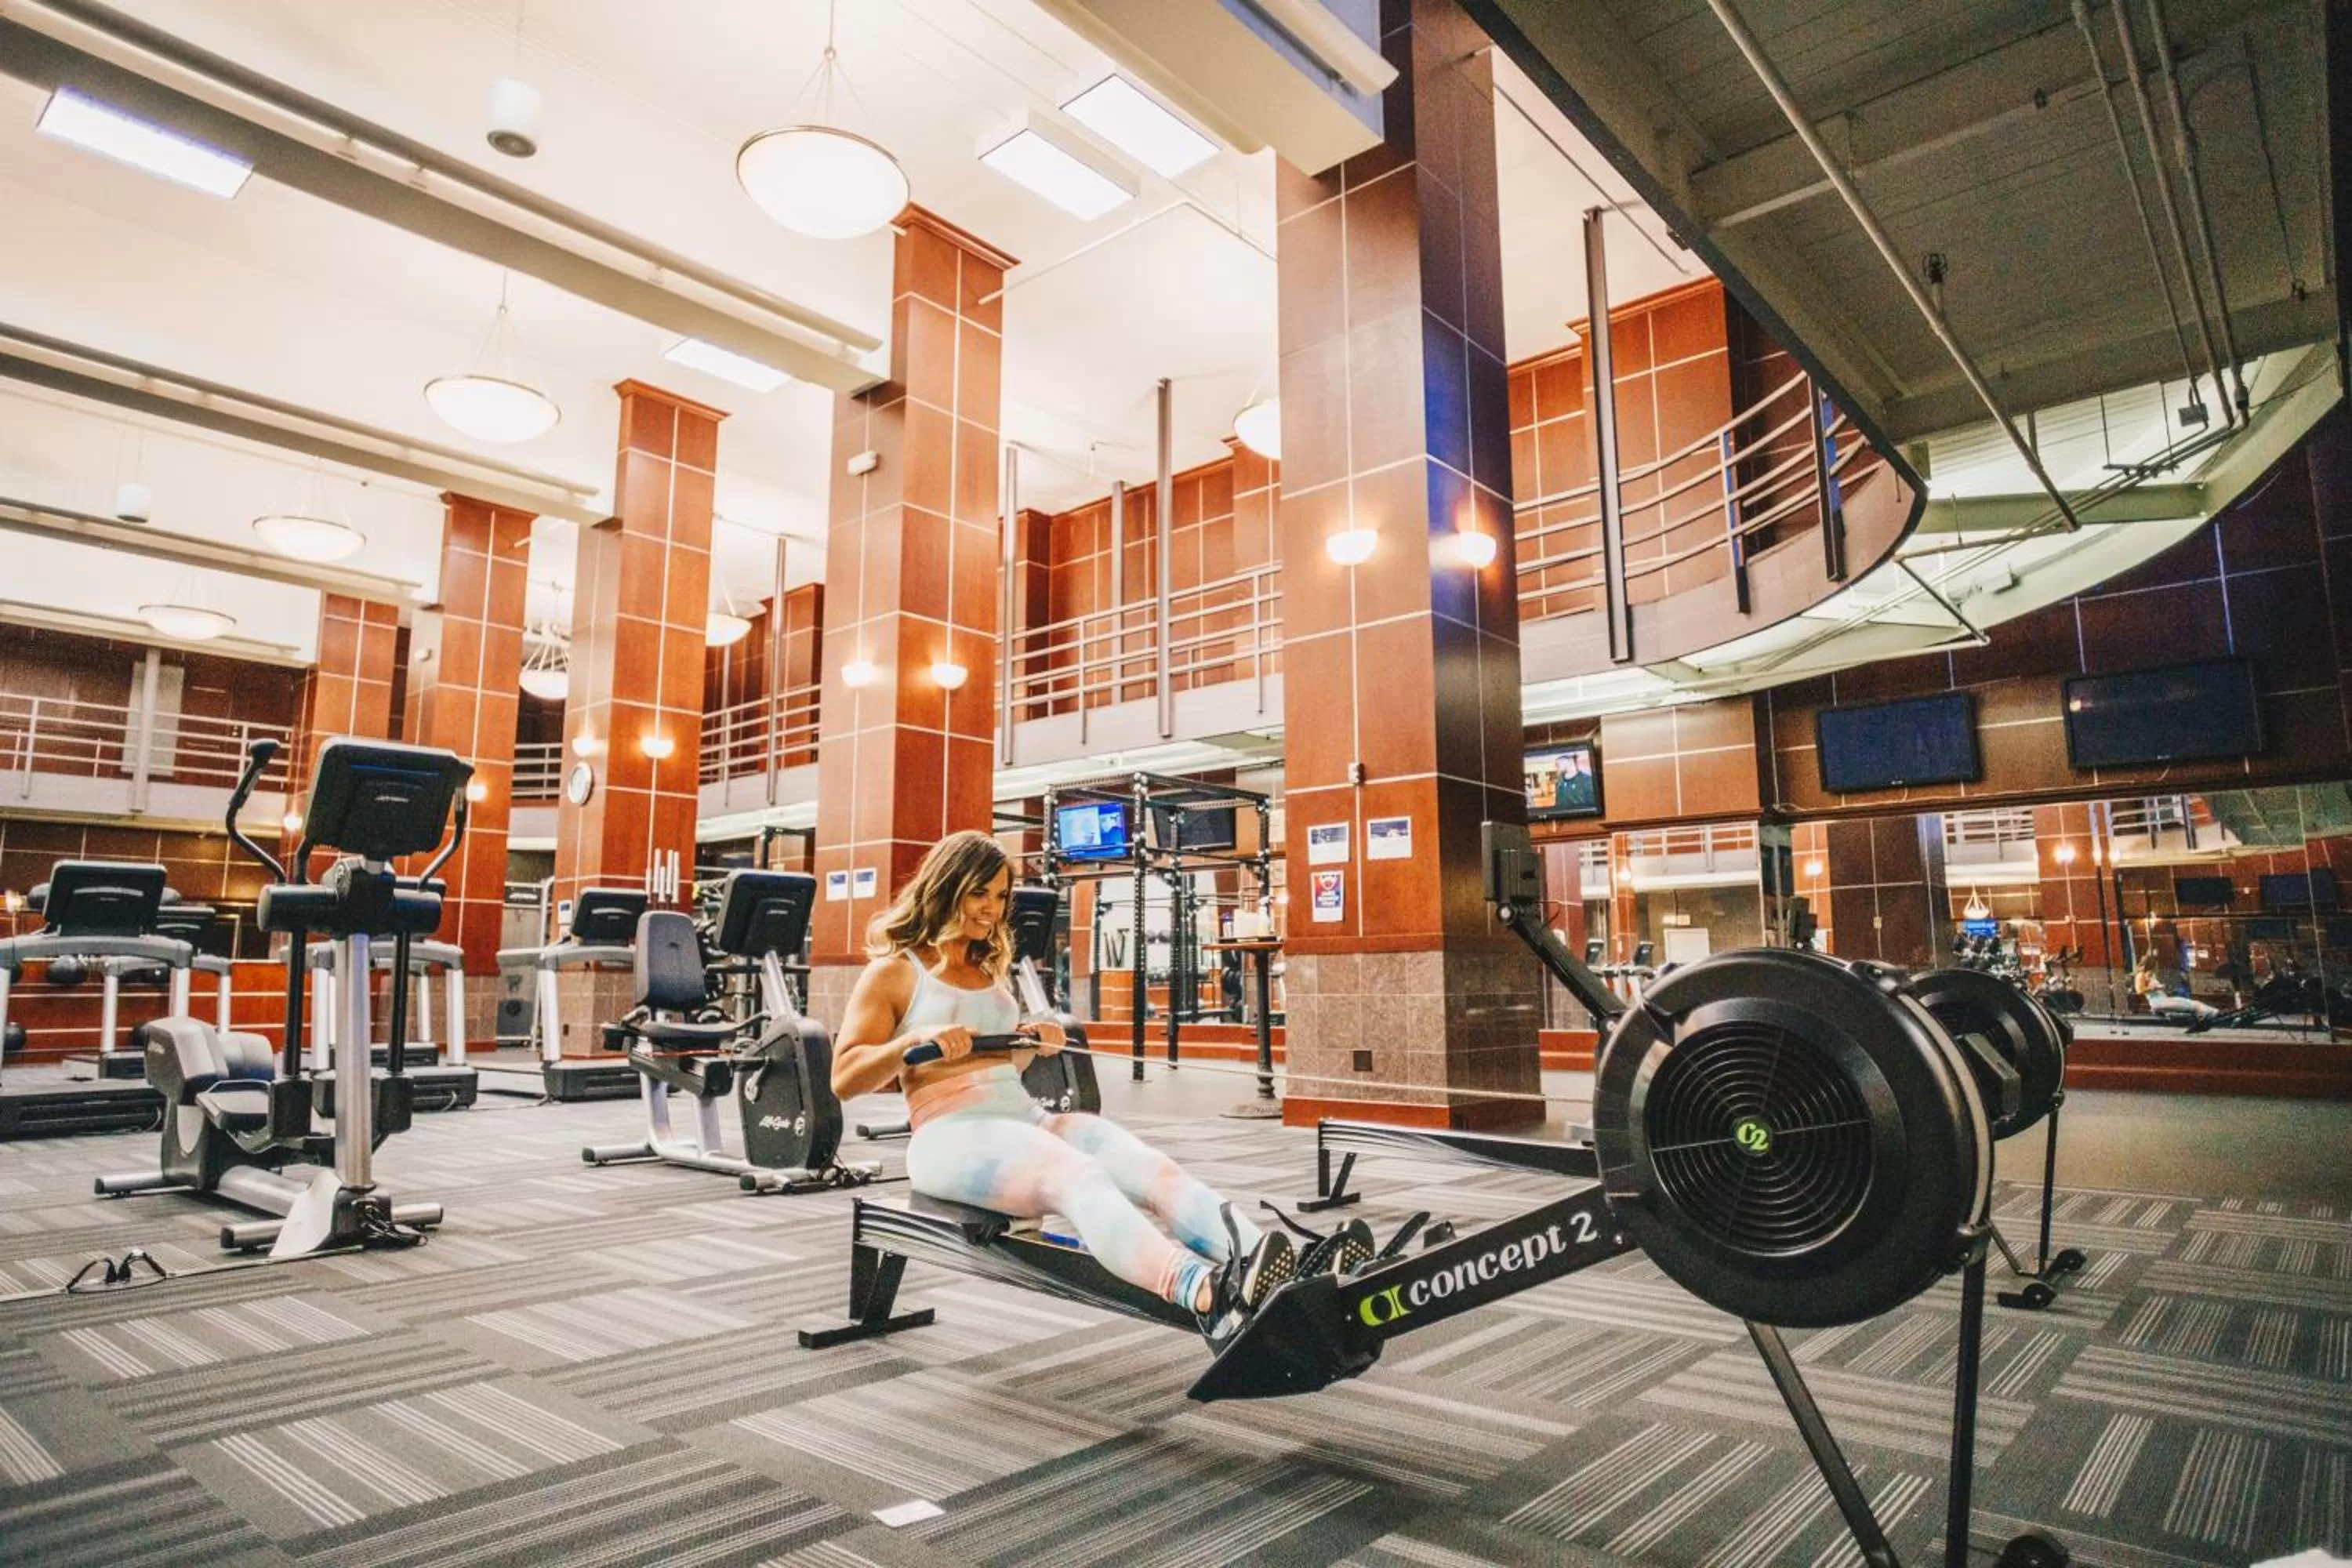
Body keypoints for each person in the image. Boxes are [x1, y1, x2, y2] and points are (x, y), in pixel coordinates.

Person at [831, 831, 1357, 1340]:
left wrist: (1031, 1043)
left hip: (1021, 1119)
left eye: (999, 896)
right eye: (978, 893)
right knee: (1078, 1174)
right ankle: (1203, 1291)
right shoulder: (896, 972)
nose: (990, 909)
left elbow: (1000, 1072)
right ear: (945, 885)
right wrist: (911, 1042)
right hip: (949, 1137)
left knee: (1153, 1169)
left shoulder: (989, 967)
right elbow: (845, 1078)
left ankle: (1266, 1264)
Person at [2134, 953, 2218, 1023]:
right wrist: (2154, 988)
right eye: (2155, 964)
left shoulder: (2150, 975)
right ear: (2151, 964)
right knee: (2192, 1006)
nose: (2157, 966)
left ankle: (2215, 1013)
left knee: (2195, 1003)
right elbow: (2139, 990)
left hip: (2164, 999)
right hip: (2158, 1002)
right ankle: (2210, 1017)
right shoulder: (2141, 975)